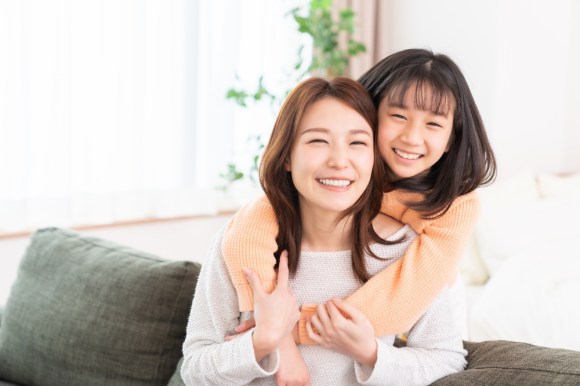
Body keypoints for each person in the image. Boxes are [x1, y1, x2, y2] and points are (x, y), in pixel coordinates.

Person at [181, 77, 467, 385]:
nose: (339, 161)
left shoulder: (405, 251)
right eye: (318, 141)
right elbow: (194, 369)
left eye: (357, 143)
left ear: (374, 158)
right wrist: (263, 342)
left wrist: (371, 353)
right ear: (287, 155)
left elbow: (447, 360)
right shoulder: (240, 245)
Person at [221, 49, 497, 348]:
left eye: (433, 124)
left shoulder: (457, 203)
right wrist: (261, 313)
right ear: (370, 115)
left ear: (450, 140)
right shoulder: (344, 175)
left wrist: (290, 329)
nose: (412, 137)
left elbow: (403, 298)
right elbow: (249, 229)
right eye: (398, 116)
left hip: (426, 316)